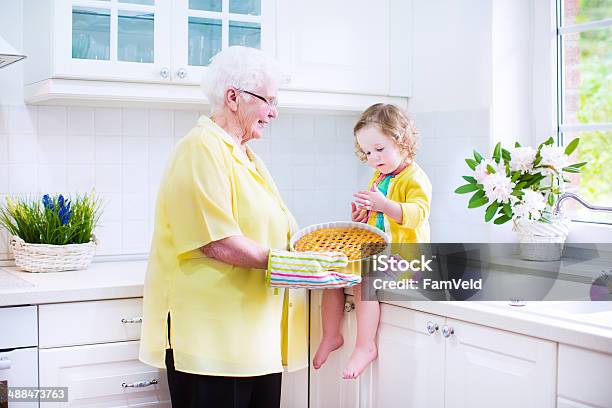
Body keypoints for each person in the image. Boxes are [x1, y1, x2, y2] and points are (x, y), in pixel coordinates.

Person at [138, 46, 347, 408]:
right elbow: (217, 242)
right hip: (213, 343)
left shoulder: (244, 154)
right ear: (233, 97)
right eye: (268, 100)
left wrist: (319, 255)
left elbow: (270, 231)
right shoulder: (201, 148)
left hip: (253, 339)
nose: (274, 112)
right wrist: (298, 266)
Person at [312, 103, 432, 379]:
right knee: (333, 271)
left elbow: (416, 214)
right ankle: (331, 335)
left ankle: (365, 347)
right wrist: (361, 216)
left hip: (406, 259)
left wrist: (384, 204)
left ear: (401, 140)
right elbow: (374, 222)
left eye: (379, 149)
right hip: (379, 253)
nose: (373, 157)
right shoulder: (379, 175)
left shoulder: (415, 178)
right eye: (367, 152)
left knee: (366, 280)